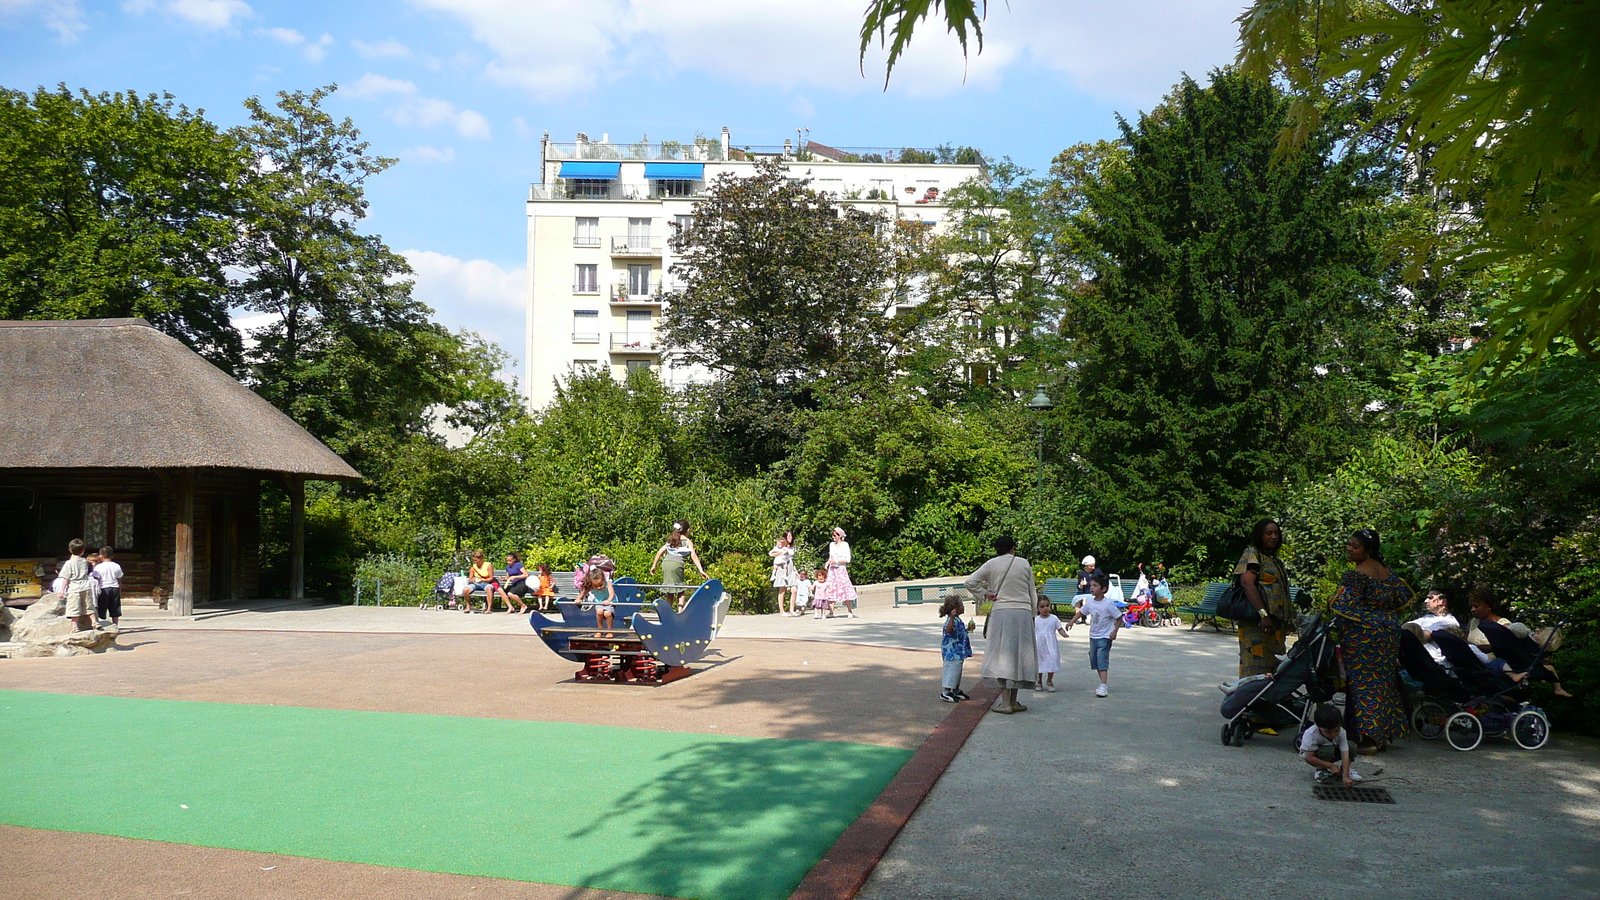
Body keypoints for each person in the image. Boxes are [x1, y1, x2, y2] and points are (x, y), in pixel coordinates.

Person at [1329, 528, 1412, 753]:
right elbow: (1404, 597)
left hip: (1363, 637)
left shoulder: (1355, 574)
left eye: (1355, 546)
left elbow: (1342, 605)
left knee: (1363, 684)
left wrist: (1332, 601)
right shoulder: (1386, 571)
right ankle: (1382, 736)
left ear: (1368, 550)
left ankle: (1367, 739)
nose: (1349, 548)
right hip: (1389, 632)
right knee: (1383, 683)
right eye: (1349, 544)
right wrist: (1382, 613)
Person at [965, 535, 1038, 714]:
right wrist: (1033, 614)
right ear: (1012, 548)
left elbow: (969, 582)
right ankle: (1014, 701)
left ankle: (1005, 702)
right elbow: (1032, 591)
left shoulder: (991, 564)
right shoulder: (1023, 563)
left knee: (1002, 656)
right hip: (1022, 611)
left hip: (1001, 612)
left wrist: (985, 593)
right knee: (1019, 655)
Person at [1467, 588, 1573, 698]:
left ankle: (1557, 688)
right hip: (1482, 664)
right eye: (1471, 607)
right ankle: (1558, 688)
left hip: (1494, 665)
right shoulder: (1475, 623)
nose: (1473, 610)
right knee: (1549, 668)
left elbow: (1510, 646)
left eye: (1476, 606)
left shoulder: (1505, 627)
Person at [1234, 519, 1293, 678]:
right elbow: (1247, 583)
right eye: (1269, 533)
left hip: (1275, 625)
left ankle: (1266, 701)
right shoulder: (1252, 554)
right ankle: (1250, 699)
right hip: (1257, 623)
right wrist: (1263, 614)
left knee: (1273, 667)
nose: (1273, 537)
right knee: (1255, 667)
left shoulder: (1274, 559)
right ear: (1260, 535)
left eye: (1276, 533)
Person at [1072, 572, 1122, 697]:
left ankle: (1103, 685)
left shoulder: (1108, 604)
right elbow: (1081, 613)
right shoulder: (1090, 602)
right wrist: (1071, 621)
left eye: (1095, 585)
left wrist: (1114, 631)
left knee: (1102, 659)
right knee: (1094, 659)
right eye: (1091, 585)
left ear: (1103, 589)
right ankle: (1102, 683)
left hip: (1105, 637)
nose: (1091, 588)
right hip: (1093, 636)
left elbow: (1119, 617)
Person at [650, 521, 707, 612]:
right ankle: (680, 610)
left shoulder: (671, 540)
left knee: (669, 588)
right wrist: (701, 570)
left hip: (666, 563)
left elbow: (659, 552)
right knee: (681, 588)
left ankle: (668, 610)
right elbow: (693, 555)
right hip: (677, 564)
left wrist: (654, 566)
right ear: (687, 530)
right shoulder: (687, 541)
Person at [1300, 703, 1361, 786]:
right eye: (1328, 732)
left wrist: (1345, 776)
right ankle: (1321, 770)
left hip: (1332, 752)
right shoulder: (1311, 734)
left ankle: (1345, 770)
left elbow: (1345, 754)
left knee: (1351, 746)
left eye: (1336, 731)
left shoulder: (1342, 732)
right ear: (1318, 726)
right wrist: (1330, 766)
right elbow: (1309, 757)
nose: (1333, 735)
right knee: (1328, 750)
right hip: (1315, 756)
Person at [939, 595, 973, 703]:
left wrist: (968, 629)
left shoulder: (958, 620)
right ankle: (946, 691)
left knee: (957, 671)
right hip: (952, 652)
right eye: (961, 606)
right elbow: (949, 630)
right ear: (955, 609)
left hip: (958, 652)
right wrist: (952, 617)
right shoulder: (951, 620)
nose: (964, 607)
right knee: (951, 670)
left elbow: (958, 633)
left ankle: (955, 689)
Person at [818, 527, 858, 617]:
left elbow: (847, 559)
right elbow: (831, 556)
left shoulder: (845, 545)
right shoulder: (832, 545)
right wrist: (828, 563)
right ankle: (831, 611)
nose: (833, 537)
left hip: (841, 569)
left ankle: (849, 610)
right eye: (832, 535)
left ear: (840, 536)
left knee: (844, 588)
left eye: (835, 535)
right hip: (832, 570)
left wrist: (836, 561)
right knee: (830, 588)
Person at [1034, 597, 1070, 692]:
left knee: (1052, 660)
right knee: (1039, 661)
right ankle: (1039, 681)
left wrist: (1064, 634)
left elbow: (1059, 628)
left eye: (1047, 605)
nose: (1045, 608)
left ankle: (1049, 680)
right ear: (1037, 608)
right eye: (1042, 606)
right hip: (1039, 644)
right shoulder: (1036, 619)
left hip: (1051, 643)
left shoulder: (1054, 618)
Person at [59, 539, 95, 632]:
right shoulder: (85, 562)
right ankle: (94, 622)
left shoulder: (69, 563)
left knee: (73, 608)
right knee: (89, 606)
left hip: (74, 588)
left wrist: (62, 590)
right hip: (86, 586)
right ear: (83, 550)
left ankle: (75, 626)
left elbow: (66, 577)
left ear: (70, 550)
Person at [769, 530, 800, 616]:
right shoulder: (779, 546)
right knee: (782, 590)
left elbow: (791, 559)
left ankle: (791, 609)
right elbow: (771, 554)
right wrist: (781, 552)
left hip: (790, 567)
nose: (790, 538)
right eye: (788, 536)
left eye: (791, 536)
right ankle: (782, 611)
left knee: (794, 589)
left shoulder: (792, 547)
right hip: (781, 567)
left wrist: (795, 570)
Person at [579, 566, 616, 634]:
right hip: (599, 602)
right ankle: (600, 629)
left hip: (610, 601)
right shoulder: (592, 585)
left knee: (607, 613)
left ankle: (610, 631)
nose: (598, 587)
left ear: (603, 580)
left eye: (600, 585)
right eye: (596, 586)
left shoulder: (607, 583)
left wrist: (608, 600)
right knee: (599, 612)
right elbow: (584, 592)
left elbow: (611, 593)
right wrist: (578, 599)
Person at [93, 546, 123, 627]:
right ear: (112, 555)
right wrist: (119, 588)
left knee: (102, 607)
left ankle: (101, 624)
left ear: (100, 556)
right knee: (115, 608)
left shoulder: (99, 567)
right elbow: (119, 578)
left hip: (103, 588)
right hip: (115, 587)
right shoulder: (116, 565)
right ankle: (115, 625)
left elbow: (95, 579)